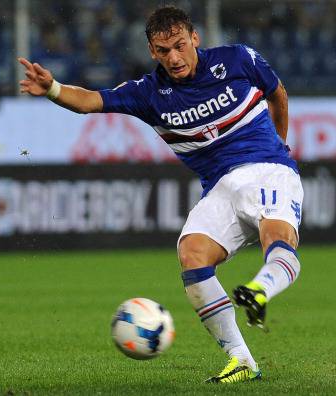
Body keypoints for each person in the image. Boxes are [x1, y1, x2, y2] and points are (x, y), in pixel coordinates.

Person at [19, 6, 302, 384]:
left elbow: (277, 95)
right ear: (152, 51)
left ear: (195, 39)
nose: (174, 57)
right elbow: (90, 101)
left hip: (267, 167)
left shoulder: (238, 59)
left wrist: (281, 151)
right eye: (163, 50)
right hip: (219, 186)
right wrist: (52, 88)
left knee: (277, 234)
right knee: (192, 254)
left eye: (180, 46)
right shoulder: (149, 94)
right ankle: (241, 359)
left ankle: (259, 290)